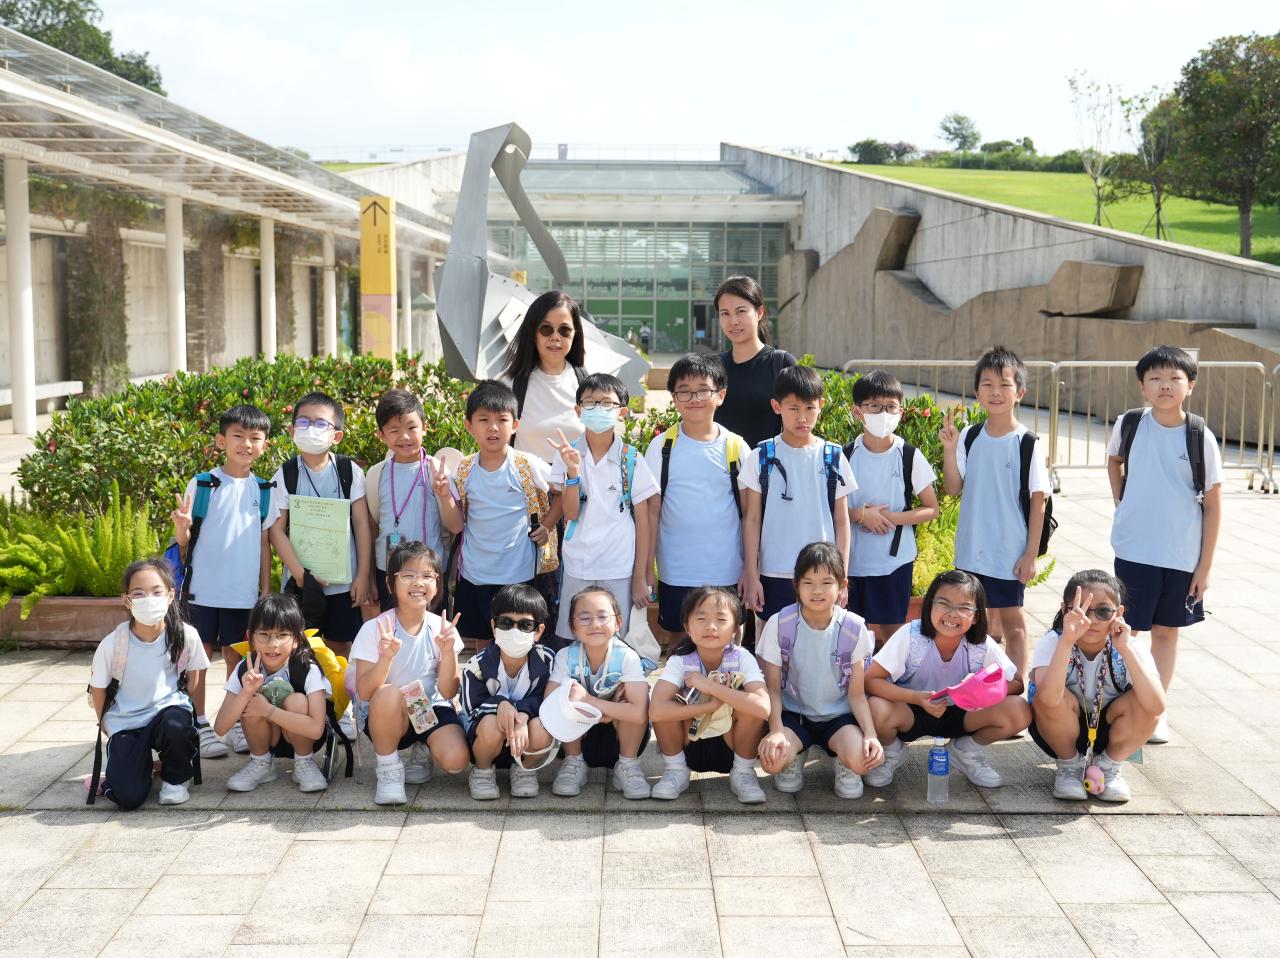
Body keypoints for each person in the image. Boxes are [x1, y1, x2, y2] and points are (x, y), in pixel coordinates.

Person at [1106, 345, 1221, 744]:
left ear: (1190, 385)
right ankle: (1121, 701)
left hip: (1180, 554)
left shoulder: (1200, 436)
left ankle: (1155, 709)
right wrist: (1122, 501)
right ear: (1143, 385)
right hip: (1133, 549)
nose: (1165, 385)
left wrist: (1204, 568)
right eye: (1155, 378)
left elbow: (1214, 504)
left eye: (1175, 378)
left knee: (1167, 632)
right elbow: (1114, 460)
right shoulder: (1130, 424)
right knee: (1127, 630)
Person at [171, 404, 279, 759]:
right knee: (198, 660)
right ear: (221, 441)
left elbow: (265, 543)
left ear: (265, 444)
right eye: (238, 436)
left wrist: (265, 591)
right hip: (201, 592)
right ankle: (200, 724)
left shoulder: (265, 489)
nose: (246, 444)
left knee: (238, 660)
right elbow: (185, 543)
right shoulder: (203, 483)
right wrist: (182, 529)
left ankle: (236, 721)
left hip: (243, 596)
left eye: (254, 438)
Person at [940, 346, 1050, 685]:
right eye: (987, 384)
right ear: (977, 393)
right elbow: (953, 488)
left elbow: (1039, 502)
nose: (995, 392)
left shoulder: (1027, 442)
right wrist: (949, 449)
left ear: (1020, 393)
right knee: (972, 623)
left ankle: (1016, 688)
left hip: (1008, 553)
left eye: (1004, 384)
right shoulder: (970, 436)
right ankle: (977, 687)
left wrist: (1030, 554)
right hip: (972, 549)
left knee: (1014, 624)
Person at [865, 570, 1031, 789]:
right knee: (875, 708)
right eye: (944, 603)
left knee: (1019, 710)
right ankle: (891, 751)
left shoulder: (981, 644)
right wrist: (916, 697)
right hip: (911, 710)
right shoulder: (911, 635)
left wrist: (978, 690)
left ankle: (966, 750)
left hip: (965, 713)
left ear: (976, 616)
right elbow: (870, 680)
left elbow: (1017, 683)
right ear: (929, 605)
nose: (953, 614)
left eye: (964, 607)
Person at [755, 543, 883, 798]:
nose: (817, 591)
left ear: (842, 586)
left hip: (839, 717)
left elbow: (857, 694)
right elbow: (773, 690)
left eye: (826, 582)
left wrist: (871, 735)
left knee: (862, 761)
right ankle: (795, 753)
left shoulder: (853, 627)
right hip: (795, 715)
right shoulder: (780, 624)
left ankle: (843, 760)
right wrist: (776, 731)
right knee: (772, 763)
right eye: (808, 582)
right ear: (796, 585)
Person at [1029, 570, 1164, 802]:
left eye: (1103, 611)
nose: (1091, 620)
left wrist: (1125, 649)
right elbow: (1047, 700)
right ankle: (1069, 767)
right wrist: (1067, 641)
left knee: (1144, 702)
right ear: (1065, 610)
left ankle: (1108, 767)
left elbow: (1156, 707)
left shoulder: (1131, 646)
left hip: (1110, 731)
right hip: (1058, 731)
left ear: (1118, 613)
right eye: (1081, 610)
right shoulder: (1053, 641)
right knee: (1051, 697)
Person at [438, 380, 555, 645]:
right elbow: (456, 525)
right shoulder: (464, 469)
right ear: (469, 426)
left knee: (518, 641)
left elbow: (561, 490)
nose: (493, 427)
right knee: (482, 641)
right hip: (475, 573)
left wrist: (547, 524)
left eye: (502, 419)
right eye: (483, 420)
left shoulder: (526, 464)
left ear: (515, 425)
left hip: (518, 574)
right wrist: (444, 495)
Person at [351, 542, 469, 805]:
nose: (418, 582)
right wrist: (385, 658)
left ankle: (423, 748)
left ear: (437, 583)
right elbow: (365, 691)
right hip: (387, 711)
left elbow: (449, 691)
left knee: (456, 761)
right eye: (408, 575)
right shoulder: (374, 628)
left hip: (427, 707)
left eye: (427, 575)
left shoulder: (442, 628)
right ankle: (389, 769)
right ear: (390, 584)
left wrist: (448, 652)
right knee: (387, 693)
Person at [644, 353, 747, 647]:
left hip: (726, 568)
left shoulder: (736, 447)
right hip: (676, 570)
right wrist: (647, 569)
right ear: (674, 398)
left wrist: (750, 569)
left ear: (721, 395)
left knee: (728, 640)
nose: (694, 399)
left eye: (703, 390)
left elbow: (750, 515)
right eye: (684, 391)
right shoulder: (661, 447)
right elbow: (651, 513)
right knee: (679, 641)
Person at [88, 558, 208, 809]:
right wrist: (105, 723)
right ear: (126, 600)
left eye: (156, 592)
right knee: (128, 798)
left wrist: (187, 715)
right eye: (138, 593)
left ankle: (175, 779)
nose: (148, 599)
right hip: (126, 721)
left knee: (177, 725)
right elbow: (98, 689)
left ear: (170, 595)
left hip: (167, 713)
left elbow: (193, 681)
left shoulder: (186, 635)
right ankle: (136, 770)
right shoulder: (112, 644)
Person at [739, 365, 856, 622]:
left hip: (823, 573)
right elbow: (752, 519)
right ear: (776, 406)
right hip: (774, 571)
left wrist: (841, 576)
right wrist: (751, 573)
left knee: (819, 636)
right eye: (793, 408)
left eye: (809, 408)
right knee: (773, 638)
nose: (802, 417)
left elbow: (842, 520)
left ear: (821, 405)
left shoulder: (833, 456)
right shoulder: (761, 456)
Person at [547, 372, 658, 641]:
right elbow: (570, 513)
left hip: (619, 567)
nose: (598, 409)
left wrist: (641, 575)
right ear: (578, 410)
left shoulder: (631, 459)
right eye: (590, 402)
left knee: (615, 638)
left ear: (622, 412)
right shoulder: (567, 455)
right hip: (578, 564)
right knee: (576, 637)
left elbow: (643, 521)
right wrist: (573, 471)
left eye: (607, 403)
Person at [267, 392, 372, 659]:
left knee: (341, 647)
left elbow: (362, 524)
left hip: (343, 583)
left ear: (337, 436)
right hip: (299, 584)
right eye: (303, 422)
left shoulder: (349, 471)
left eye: (320, 423)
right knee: (298, 647)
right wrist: (301, 575)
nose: (311, 428)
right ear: (292, 431)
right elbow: (276, 530)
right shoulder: (286, 473)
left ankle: (338, 690)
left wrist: (362, 575)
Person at [845, 371, 940, 649]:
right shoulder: (845, 455)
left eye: (890, 407)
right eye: (875, 406)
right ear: (857, 411)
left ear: (901, 411)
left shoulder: (909, 455)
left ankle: (893, 677)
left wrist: (892, 518)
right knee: (853, 635)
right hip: (853, 562)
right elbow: (830, 508)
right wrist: (861, 515)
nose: (883, 414)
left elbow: (931, 508)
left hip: (894, 562)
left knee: (893, 633)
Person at [650, 587, 769, 803]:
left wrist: (710, 687)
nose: (711, 626)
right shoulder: (680, 660)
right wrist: (708, 706)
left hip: (733, 744)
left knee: (751, 707)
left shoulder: (742, 657)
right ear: (687, 626)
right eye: (701, 618)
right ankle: (675, 770)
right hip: (689, 743)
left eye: (721, 619)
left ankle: (743, 773)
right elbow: (656, 710)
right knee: (666, 707)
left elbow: (763, 707)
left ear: (735, 629)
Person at [215, 593, 331, 794]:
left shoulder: (307, 669)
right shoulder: (244, 669)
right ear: (251, 637)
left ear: (297, 639)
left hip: (303, 738)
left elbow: (316, 730)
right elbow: (220, 727)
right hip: (265, 738)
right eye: (264, 634)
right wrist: (246, 693)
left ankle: (304, 762)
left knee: (297, 700)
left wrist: (267, 710)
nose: (273, 644)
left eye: (282, 635)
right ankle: (261, 763)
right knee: (251, 699)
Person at [546, 587, 652, 800]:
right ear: (572, 627)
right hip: (577, 737)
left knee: (632, 702)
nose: (594, 624)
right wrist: (604, 711)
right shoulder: (565, 656)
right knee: (564, 697)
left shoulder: (627, 656)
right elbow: (550, 703)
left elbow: (639, 713)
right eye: (584, 618)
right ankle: (573, 762)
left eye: (603, 616)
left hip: (621, 737)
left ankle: (628, 765)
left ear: (618, 622)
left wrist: (588, 700)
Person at [459, 584, 557, 800]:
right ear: (494, 626)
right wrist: (500, 704)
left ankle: (525, 769)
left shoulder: (548, 660)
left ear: (538, 631)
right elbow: (472, 710)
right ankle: (483, 770)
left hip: (527, 738)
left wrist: (521, 713)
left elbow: (549, 700)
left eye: (525, 625)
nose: (514, 631)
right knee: (490, 724)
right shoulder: (475, 667)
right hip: (486, 740)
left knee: (543, 727)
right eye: (506, 623)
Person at [364, 389, 445, 612]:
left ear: (425, 428)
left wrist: (445, 493)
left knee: (430, 629)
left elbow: (455, 526)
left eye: (411, 428)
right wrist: (370, 578)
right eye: (394, 430)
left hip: (429, 573)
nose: (405, 437)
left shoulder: (436, 471)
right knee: (392, 628)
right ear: (381, 434)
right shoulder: (376, 474)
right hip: (388, 572)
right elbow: (372, 527)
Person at [500, 289, 588, 462]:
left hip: (575, 478)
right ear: (533, 333)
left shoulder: (587, 384)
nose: (555, 337)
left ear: (575, 334)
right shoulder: (509, 385)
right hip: (524, 479)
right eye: (546, 329)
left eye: (564, 330)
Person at [713, 275, 797, 450]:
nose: (733, 321)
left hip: (766, 464)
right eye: (725, 313)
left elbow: (799, 423)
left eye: (741, 311)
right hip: (720, 465)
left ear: (760, 312)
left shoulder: (781, 364)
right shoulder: (713, 367)